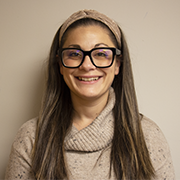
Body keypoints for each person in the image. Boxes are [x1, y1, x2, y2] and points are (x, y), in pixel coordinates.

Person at [5, 9, 175, 180]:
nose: (87, 65)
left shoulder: (147, 136)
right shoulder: (30, 138)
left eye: (101, 54)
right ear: (60, 65)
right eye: (74, 54)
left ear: (117, 64)